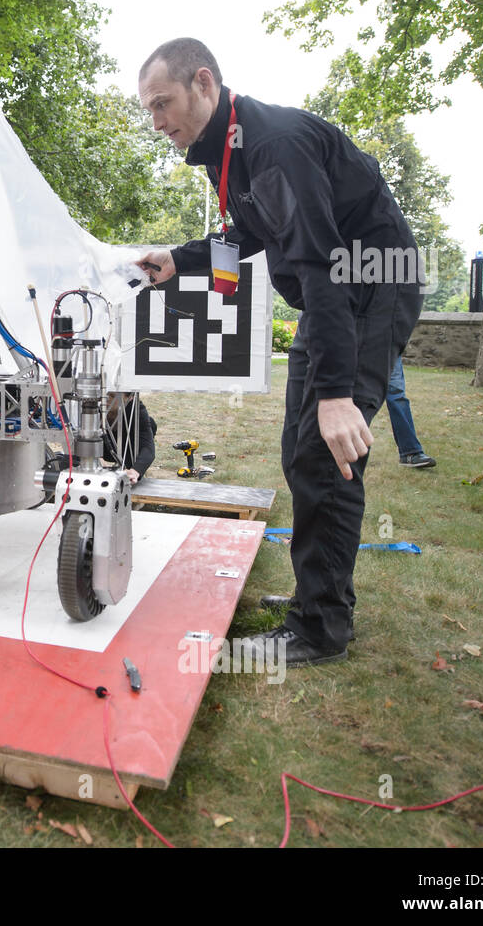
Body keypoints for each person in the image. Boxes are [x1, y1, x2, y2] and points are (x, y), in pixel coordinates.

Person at [135, 39, 423, 667]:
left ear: (203, 83)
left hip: (370, 290)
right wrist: (179, 260)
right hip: (338, 293)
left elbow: (321, 268)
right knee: (301, 451)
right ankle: (315, 598)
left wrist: (338, 395)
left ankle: (319, 631)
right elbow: (250, 233)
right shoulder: (231, 150)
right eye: (149, 110)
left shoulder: (274, 147)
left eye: (163, 104)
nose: (157, 123)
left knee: (326, 454)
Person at [385, 355, 435, 468]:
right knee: (357, 397)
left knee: (397, 396)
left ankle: (410, 452)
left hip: (390, 345)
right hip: (358, 342)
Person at [103, 393, 157, 484]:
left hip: (123, 449)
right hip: (98, 449)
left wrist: (135, 471)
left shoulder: (135, 408)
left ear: (130, 398)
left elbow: (148, 447)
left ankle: (127, 469)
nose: (106, 399)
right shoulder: (92, 405)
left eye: (112, 396)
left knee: (151, 424)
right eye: (104, 394)